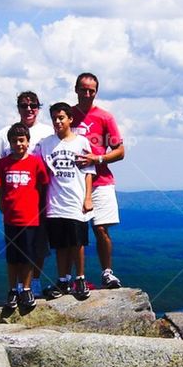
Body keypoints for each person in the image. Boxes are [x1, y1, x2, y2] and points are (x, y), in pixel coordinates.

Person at [0, 91, 54, 290]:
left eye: (33, 105)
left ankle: (34, 281)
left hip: (40, 196)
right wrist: (1, 199)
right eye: (24, 105)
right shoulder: (4, 133)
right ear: (18, 108)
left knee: (40, 243)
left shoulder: (47, 132)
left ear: (38, 108)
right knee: (16, 247)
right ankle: (18, 286)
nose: (29, 109)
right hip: (15, 201)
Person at [35, 102, 94, 300]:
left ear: (70, 119)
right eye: (54, 118)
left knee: (77, 243)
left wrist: (87, 198)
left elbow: (88, 173)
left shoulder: (81, 142)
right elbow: (34, 164)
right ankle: (63, 280)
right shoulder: (45, 143)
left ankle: (80, 278)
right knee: (60, 244)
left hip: (76, 201)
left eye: (61, 118)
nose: (57, 122)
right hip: (55, 202)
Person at [71, 72, 124, 289]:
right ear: (76, 89)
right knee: (74, 231)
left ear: (96, 92)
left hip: (101, 180)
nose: (87, 94)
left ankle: (107, 272)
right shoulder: (68, 114)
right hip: (73, 182)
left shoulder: (105, 117)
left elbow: (120, 151)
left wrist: (98, 158)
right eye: (83, 89)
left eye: (91, 90)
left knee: (100, 228)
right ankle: (76, 277)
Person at [0, 123, 49, 311]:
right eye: (15, 141)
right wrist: (2, 203)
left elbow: (42, 185)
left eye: (22, 140)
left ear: (28, 141)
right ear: (9, 142)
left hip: (30, 218)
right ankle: (12, 290)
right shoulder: (4, 164)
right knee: (12, 258)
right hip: (11, 218)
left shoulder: (35, 162)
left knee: (27, 256)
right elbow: (0, 185)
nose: (18, 144)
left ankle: (26, 289)